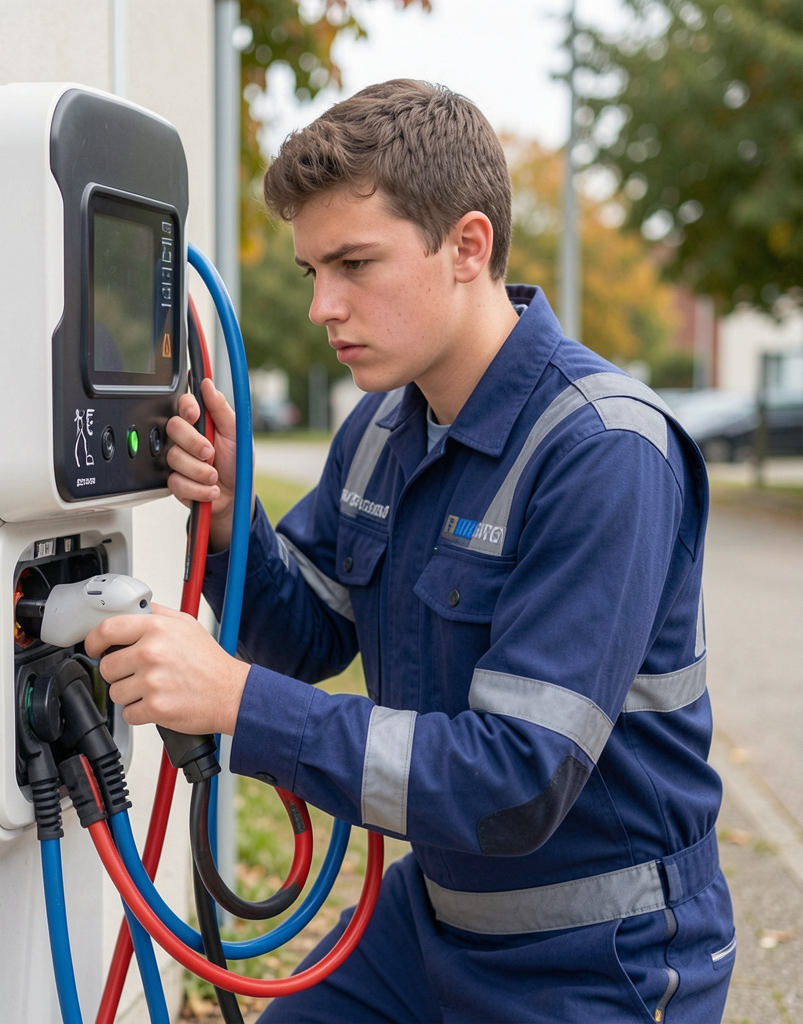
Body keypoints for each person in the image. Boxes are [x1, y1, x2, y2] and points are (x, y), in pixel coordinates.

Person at [85, 79, 735, 1023]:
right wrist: (231, 519)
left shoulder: (607, 453)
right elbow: (309, 632)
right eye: (314, 272)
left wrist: (235, 701)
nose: (321, 307)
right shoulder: (387, 429)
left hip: (602, 963)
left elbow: (515, 781)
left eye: (354, 263)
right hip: (428, 927)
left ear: (468, 246)